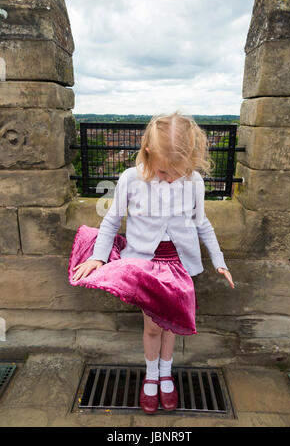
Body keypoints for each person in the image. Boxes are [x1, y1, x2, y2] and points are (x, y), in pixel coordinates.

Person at [68, 110, 235, 415]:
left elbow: (202, 224)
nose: (170, 178)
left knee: (170, 324)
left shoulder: (193, 181)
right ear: (147, 154)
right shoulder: (131, 179)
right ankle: (151, 374)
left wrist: (219, 260)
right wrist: (97, 256)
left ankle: (167, 372)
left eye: (177, 171)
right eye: (162, 172)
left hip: (179, 265)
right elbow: (111, 221)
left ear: (191, 159)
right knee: (154, 326)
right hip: (145, 265)